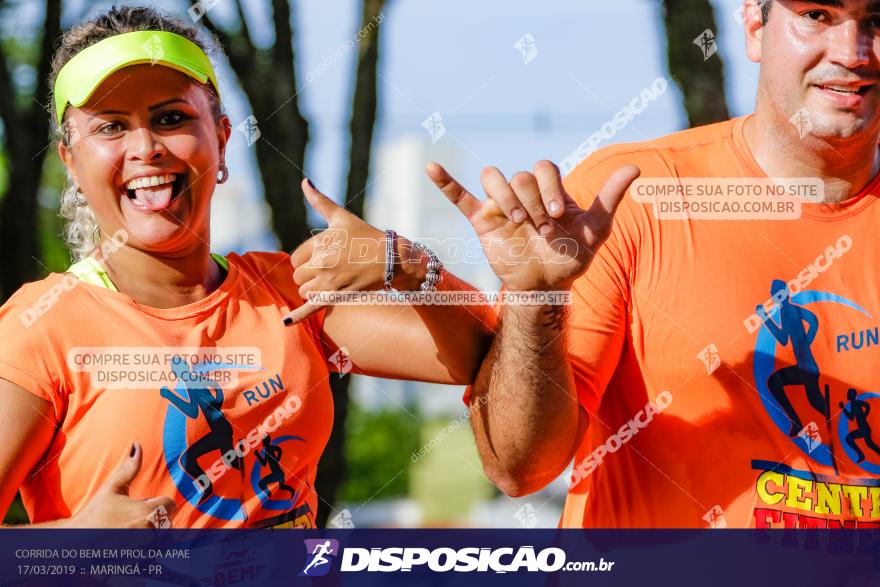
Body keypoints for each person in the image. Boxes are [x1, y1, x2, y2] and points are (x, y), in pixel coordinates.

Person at [0, 5, 502, 528]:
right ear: (70, 161)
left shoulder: (285, 291)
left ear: (220, 137)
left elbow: (488, 352)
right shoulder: (40, 328)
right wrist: (75, 545)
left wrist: (408, 264)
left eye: (171, 118)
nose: (145, 148)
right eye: (111, 127)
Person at [452, 0, 880, 528]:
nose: (854, 52)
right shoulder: (629, 199)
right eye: (817, 14)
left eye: (878, 21)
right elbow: (519, 467)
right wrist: (536, 298)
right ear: (754, 23)